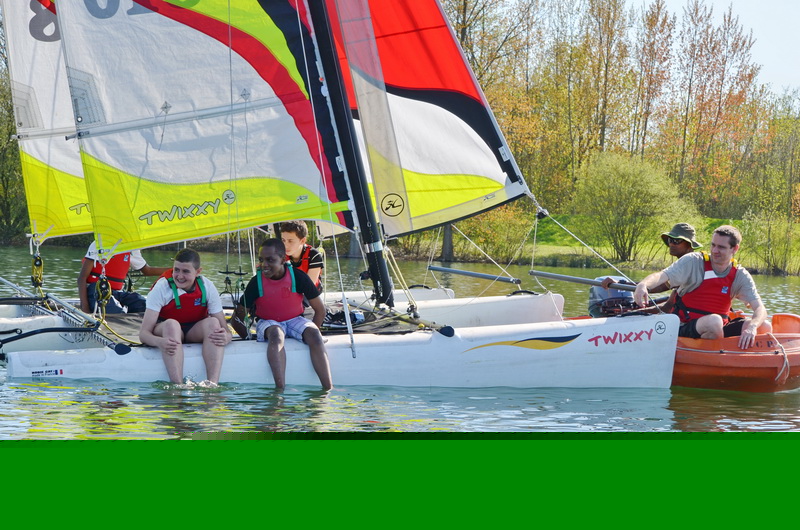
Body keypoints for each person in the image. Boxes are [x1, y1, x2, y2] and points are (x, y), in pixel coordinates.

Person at [633, 225, 770, 349]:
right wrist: (643, 284)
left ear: (735, 249)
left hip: (717, 328)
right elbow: (661, 276)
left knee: (764, 326)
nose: (715, 251)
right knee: (714, 322)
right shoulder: (693, 261)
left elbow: (760, 309)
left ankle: (737, 361)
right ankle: (711, 359)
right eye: (713, 245)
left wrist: (752, 327)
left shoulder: (740, 275)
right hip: (683, 326)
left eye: (721, 247)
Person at [235, 238, 333, 390]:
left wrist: (310, 336)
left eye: (270, 260)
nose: (264, 264)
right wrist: (248, 339)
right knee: (276, 334)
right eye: (261, 260)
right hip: (268, 322)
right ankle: (280, 391)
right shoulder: (256, 282)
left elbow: (320, 310)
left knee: (314, 334)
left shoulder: (298, 277)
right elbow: (237, 318)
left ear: (282, 259)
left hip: (295, 320)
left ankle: (328, 389)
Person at [139, 248, 230, 386]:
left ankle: (212, 385)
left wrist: (226, 337)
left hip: (194, 331)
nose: (180, 276)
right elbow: (144, 334)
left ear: (198, 272)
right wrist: (159, 342)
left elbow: (226, 330)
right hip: (168, 331)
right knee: (172, 325)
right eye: (176, 270)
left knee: (213, 323)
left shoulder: (207, 286)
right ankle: (177, 386)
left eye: (186, 271)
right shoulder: (162, 288)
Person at [599, 222, 701, 313]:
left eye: (677, 241)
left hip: (688, 321)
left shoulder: (689, 266)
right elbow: (657, 286)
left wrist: (630, 314)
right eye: (670, 240)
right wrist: (621, 284)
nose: (671, 244)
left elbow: (668, 307)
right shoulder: (683, 265)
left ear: (690, 245)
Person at [77, 241, 169, 314]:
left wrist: (174, 270)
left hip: (118, 293)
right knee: (115, 311)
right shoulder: (99, 244)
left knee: (145, 305)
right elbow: (82, 278)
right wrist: (85, 308)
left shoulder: (132, 248)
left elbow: (147, 270)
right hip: (97, 290)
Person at [280, 220, 323, 291]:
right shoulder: (280, 255)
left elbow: (309, 287)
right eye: (283, 240)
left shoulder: (314, 255)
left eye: (290, 241)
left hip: (311, 294)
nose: (285, 245)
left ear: (302, 241)